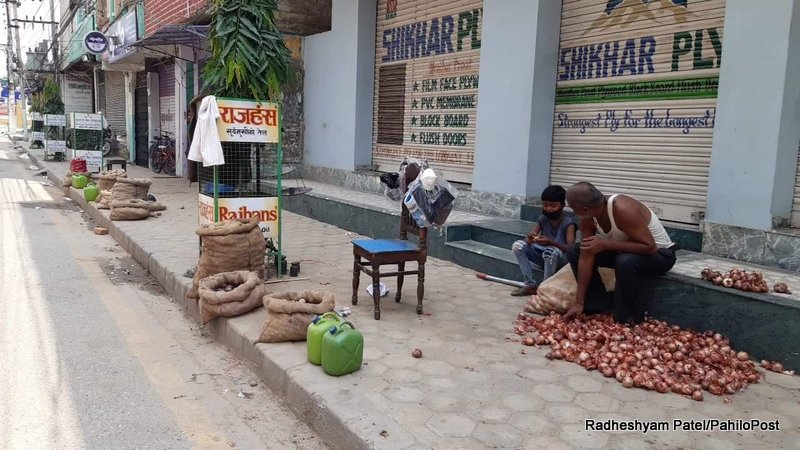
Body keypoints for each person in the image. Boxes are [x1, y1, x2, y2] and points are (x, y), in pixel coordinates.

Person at [563, 182, 677, 324]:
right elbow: (587, 254)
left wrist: (606, 244)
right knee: (576, 250)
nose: (574, 213)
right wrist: (579, 302)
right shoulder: (587, 217)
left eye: (574, 209)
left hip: (660, 255)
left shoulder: (622, 208)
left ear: (585, 209)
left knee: (625, 260)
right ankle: (596, 305)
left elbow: (650, 247)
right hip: (624, 252)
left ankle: (626, 317)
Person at [510, 185, 577, 296]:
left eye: (553, 205)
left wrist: (552, 242)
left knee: (550, 251)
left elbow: (571, 249)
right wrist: (531, 238)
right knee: (518, 245)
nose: (549, 209)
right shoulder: (543, 218)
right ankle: (530, 284)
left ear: (562, 205)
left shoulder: (568, 223)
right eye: (545, 205)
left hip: (561, 259)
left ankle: (545, 288)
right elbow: (528, 241)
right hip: (543, 256)